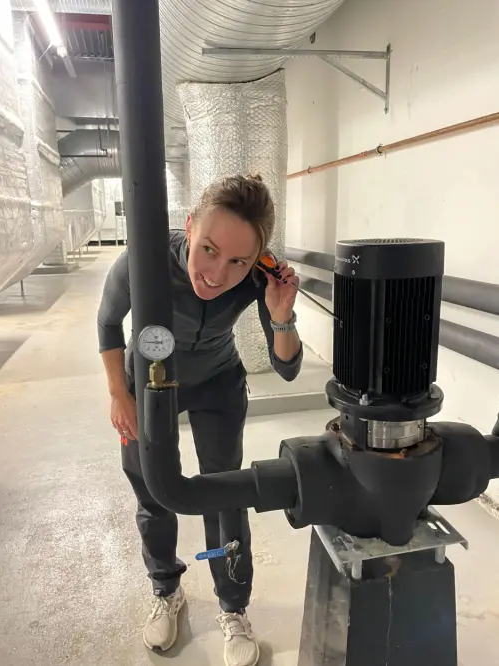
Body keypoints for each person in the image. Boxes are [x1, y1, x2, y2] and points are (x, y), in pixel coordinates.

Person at [97, 174, 303, 666]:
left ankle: (233, 606)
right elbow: (108, 321)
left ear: (256, 259)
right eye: (208, 249)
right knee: (152, 489)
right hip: (148, 382)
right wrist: (118, 394)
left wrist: (280, 314)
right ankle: (166, 588)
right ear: (189, 226)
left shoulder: (260, 278)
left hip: (217, 383)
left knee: (224, 491)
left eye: (238, 261)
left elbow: (288, 367)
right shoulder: (144, 261)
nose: (216, 274)